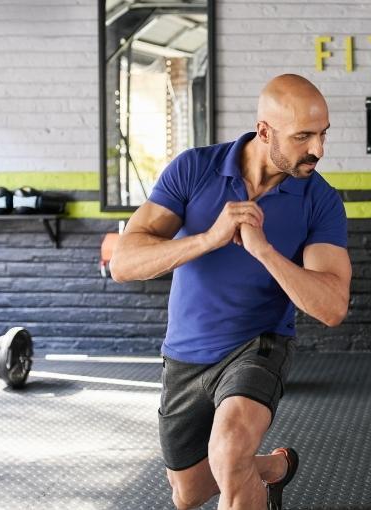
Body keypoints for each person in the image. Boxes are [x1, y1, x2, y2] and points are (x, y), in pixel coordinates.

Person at [110, 74, 351, 510]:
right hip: (185, 352)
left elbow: (332, 306)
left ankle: (244, 466)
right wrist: (208, 238)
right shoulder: (194, 169)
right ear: (264, 131)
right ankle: (274, 469)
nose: (318, 149)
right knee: (189, 493)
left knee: (229, 451)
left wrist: (265, 252)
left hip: (258, 343)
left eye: (323, 134)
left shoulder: (321, 200)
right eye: (303, 136)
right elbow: (125, 263)